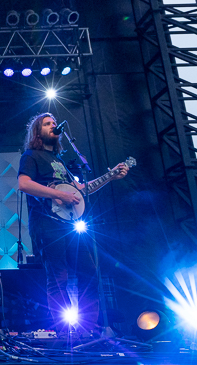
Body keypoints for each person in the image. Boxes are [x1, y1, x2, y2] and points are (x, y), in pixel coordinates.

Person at [16, 113, 129, 332]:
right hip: (47, 224)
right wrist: (56, 194)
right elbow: (24, 184)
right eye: (47, 124)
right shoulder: (31, 156)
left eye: (54, 123)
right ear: (37, 131)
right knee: (58, 277)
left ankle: (88, 330)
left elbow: (81, 190)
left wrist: (110, 177)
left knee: (90, 273)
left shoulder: (59, 162)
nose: (53, 126)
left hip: (69, 225)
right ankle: (64, 331)